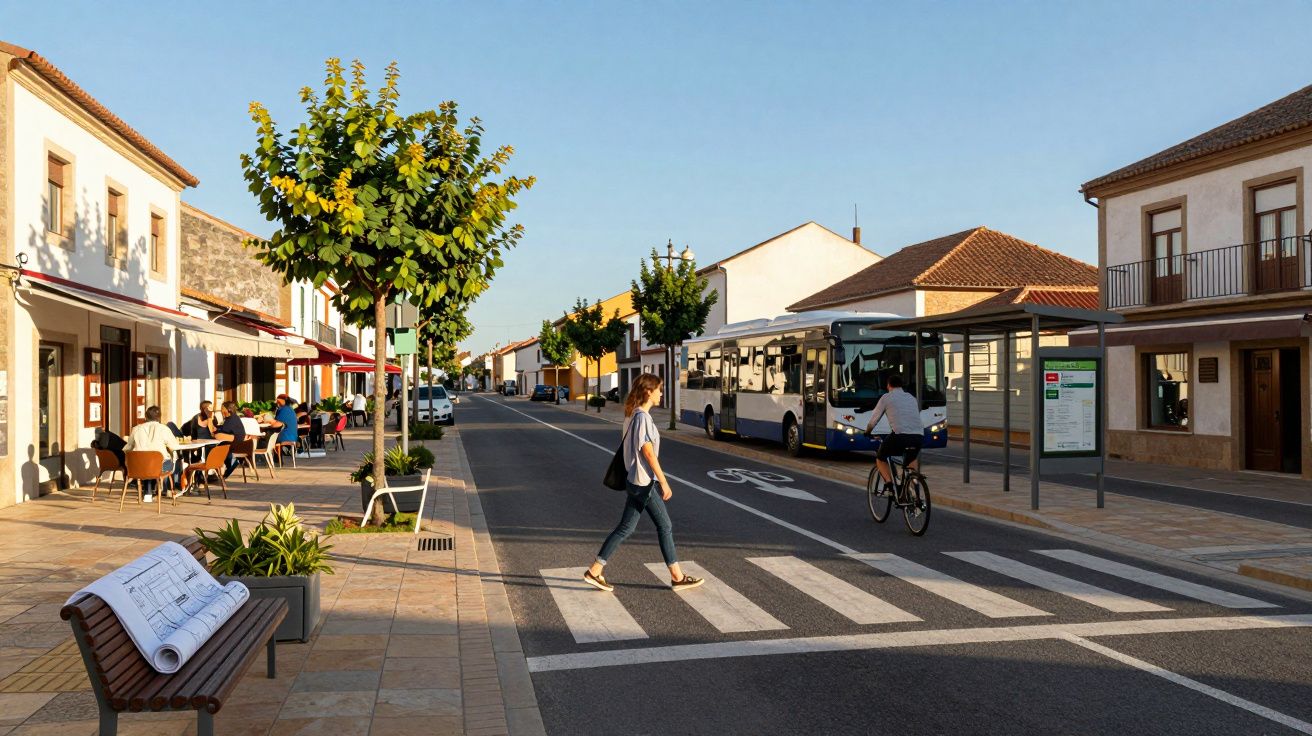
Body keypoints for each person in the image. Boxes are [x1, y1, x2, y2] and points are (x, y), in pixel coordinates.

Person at [583, 373, 703, 593]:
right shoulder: (642, 418)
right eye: (659, 388)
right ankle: (677, 577)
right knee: (664, 525)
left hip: (634, 480)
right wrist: (664, 482)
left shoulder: (634, 416)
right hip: (642, 482)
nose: (661, 393)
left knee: (626, 527)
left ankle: (595, 570)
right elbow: (647, 451)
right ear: (648, 391)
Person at [862, 374, 925, 492]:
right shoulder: (911, 398)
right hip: (919, 437)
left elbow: (874, 420)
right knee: (911, 458)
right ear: (901, 385)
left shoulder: (886, 397)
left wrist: (867, 431)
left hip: (900, 436)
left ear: (888, 385)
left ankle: (889, 483)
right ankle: (914, 485)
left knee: (881, 457)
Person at [124, 405, 181, 502]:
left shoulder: (136, 429)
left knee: (146, 461)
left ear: (146, 417)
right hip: (159, 466)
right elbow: (174, 446)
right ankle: (167, 489)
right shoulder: (164, 429)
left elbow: (127, 448)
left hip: (139, 466)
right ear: (159, 417)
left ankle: (147, 493)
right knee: (169, 460)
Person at [213, 401, 248, 478]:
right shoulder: (232, 417)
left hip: (236, 442)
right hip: (236, 440)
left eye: (222, 408)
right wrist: (218, 429)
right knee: (221, 446)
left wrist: (215, 430)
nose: (221, 410)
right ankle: (226, 467)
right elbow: (225, 428)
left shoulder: (231, 419)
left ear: (228, 409)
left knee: (218, 448)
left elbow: (225, 430)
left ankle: (230, 464)